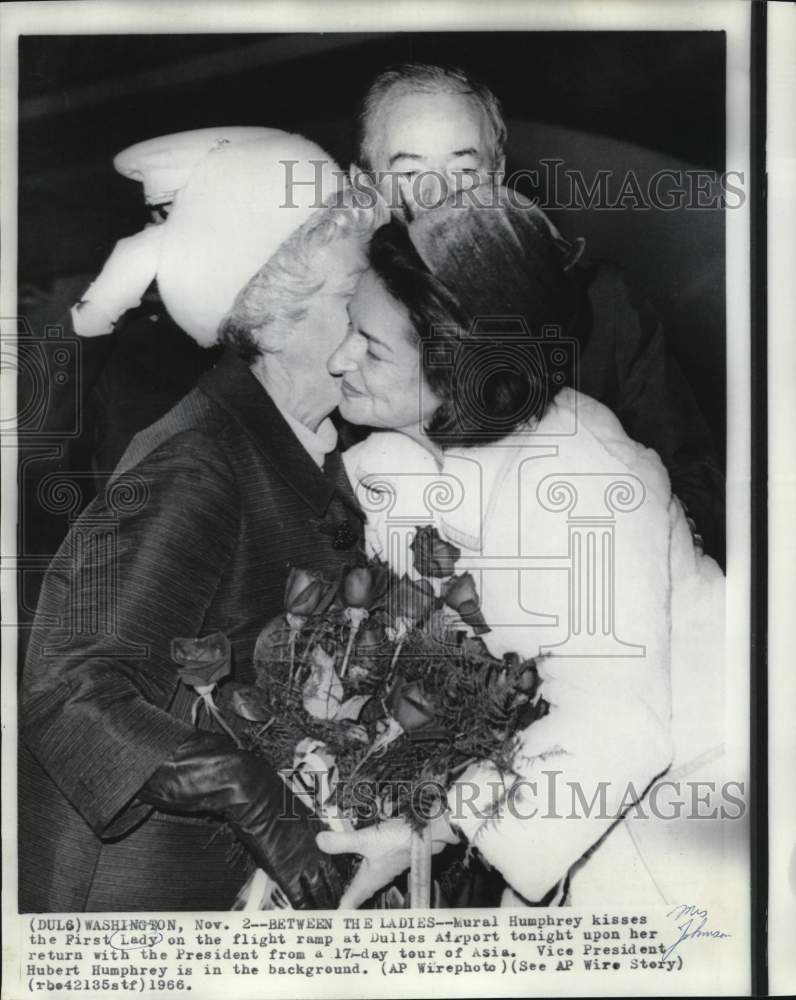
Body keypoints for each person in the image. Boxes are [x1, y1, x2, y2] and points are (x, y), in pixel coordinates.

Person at [318, 190, 729, 907]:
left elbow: (618, 726)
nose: (337, 358)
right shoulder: (425, 449)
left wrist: (433, 826)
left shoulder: (585, 480)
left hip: (672, 854)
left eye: (371, 347)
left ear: (458, 371)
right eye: (350, 327)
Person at [19, 132, 384, 911]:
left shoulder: (308, 443)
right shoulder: (200, 462)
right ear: (275, 321)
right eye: (354, 294)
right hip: (132, 897)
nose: (380, 313)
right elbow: (70, 690)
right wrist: (249, 792)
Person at [354, 62, 725, 567]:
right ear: (368, 187)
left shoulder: (600, 304)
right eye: (411, 173)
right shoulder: (348, 337)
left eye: (464, 171)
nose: (440, 198)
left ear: (499, 173)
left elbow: (693, 478)